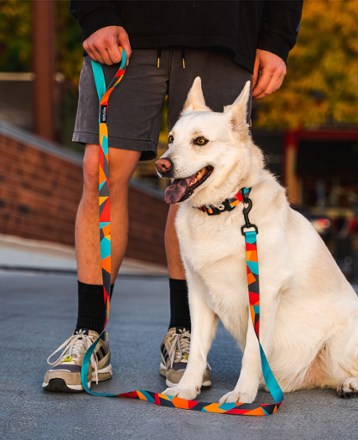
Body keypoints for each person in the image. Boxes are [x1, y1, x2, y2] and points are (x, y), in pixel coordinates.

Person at [42, 0, 303, 393]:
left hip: (225, 30)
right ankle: (90, 333)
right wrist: (95, 14)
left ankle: (183, 334)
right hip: (126, 30)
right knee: (101, 174)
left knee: (201, 183)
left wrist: (277, 39)